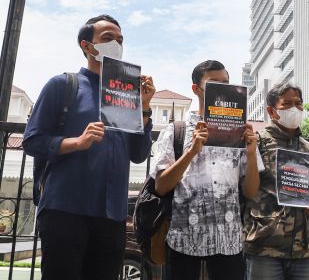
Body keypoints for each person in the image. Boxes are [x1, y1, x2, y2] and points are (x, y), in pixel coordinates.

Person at [23, 15, 155, 280]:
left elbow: (139, 154)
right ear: (87, 46)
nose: (116, 44)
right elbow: (32, 140)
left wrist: (145, 108)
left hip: (112, 215)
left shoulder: (127, 95)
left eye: (120, 40)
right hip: (65, 209)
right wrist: (77, 142)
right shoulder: (63, 85)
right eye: (107, 38)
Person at [151, 60, 263, 280]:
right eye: (214, 83)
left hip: (228, 242)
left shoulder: (241, 133)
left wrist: (250, 153)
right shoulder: (176, 131)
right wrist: (191, 151)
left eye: (226, 83)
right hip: (184, 240)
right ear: (196, 89)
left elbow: (250, 192)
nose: (223, 88)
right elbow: (161, 186)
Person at [242, 82, 309, 280]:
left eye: (298, 103)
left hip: (304, 250)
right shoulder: (257, 143)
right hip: (265, 246)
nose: (294, 109)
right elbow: (245, 189)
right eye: (287, 104)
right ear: (271, 111)